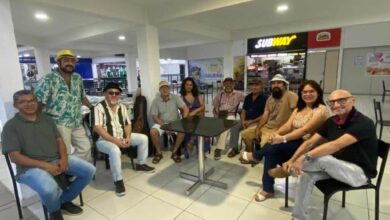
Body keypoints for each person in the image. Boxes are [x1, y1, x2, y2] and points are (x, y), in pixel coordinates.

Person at [276, 89, 377, 220]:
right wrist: (292, 159)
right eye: (332, 102)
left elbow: (335, 145)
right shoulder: (332, 121)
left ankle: (289, 170)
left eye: (342, 101)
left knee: (323, 159)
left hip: (359, 174)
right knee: (306, 175)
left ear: (353, 100)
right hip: (336, 167)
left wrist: (303, 158)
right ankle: (298, 217)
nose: (336, 105)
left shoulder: (363, 123)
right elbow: (309, 142)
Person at [1, 90, 95, 220]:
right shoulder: (10, 126)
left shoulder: (47, 119)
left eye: (32, 100)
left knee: (89, 170)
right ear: (15, 105)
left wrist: (64, 158)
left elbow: (59, 141)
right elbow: (15, 157)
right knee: (49, 190)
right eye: (23, 102)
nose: (29, 104)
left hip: (55, 159)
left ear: (37, 102)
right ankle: (55, 211)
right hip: (29, 169)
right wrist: (45, 166)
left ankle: (62, 200)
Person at [240, 80, 329, 201]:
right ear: (301, 94)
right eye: (305, 92)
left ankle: (256, 156)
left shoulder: (321, 110)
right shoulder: (299, 108)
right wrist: (276, 134)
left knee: (274, 146)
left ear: (318, 92)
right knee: (271, 151)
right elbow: (288, 125)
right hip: (294, 143)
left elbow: (304, 130)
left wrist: (282, 138)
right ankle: (268, 188)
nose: (308, 94)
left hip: (309, 147)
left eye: (311, 91)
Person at [93, 83, 155, 196]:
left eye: (116, 93)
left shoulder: (122, 107)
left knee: (143, 138)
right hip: (103, 141)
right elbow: (98, 128)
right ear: (104, 94)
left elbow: (127, 124)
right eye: (110, 93)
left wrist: (128, 137)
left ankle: (140, 164)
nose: (114, 95)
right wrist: (115, 141)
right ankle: (118, 180)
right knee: (115, 150)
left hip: (121, 137)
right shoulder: (98, 108)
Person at [35, 49, 93, 161]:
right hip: (58, 123)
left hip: (76, 120)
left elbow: (82, 96)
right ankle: (65, 174)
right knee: (64, 151)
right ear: (58, 62)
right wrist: (37, 121)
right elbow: (39, 101)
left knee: (85, 148)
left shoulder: (77, 78)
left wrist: (92, 107)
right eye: (66, 60)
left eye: (72, 61)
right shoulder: (49, 79)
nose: (70, 63)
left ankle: (73, 171)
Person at [150, 81, 189, 164]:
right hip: (162, 123)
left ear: (169, 89)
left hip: (175, 122)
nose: (165, 89)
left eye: (166, 87)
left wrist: (183, 120)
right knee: (153, 132)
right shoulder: (156, 100)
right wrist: (165, 126)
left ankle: (174, 152)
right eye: (162, 88)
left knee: (182, 132)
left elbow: (185, 109)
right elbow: (155, 117)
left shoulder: (175, 97)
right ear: (159, 90)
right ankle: (159, 153)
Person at [254, 74, 298, 147]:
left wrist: (282, 127)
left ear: (284, 85)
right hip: (268, 126)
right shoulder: (270, 98)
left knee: (265, 142)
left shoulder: (290, 95)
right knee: (246, 134)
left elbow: (296, 113)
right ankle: (254, 153)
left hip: (281, 128)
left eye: (279, 83)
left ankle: (259, 155)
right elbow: (265, 115)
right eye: (273, 83)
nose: (276, 85)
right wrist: (258, 128)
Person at [230, 78, 268, 156]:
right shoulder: (248, 97)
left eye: (256, 85)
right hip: (246, 120)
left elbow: (265, 114)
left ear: (261, 86)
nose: (254, 87)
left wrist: (251, 121)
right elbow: (244, 111)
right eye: (252, 85)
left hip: (259, 122)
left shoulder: (266, 98)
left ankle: (250, 152)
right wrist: (243, 120)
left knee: (246, 132)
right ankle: (234, 148)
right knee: (234, 126)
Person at [212, 77, 245, 160]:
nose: (228, 85)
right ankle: (221, 142)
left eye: (230, 83)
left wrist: (242, 110)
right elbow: (215, 105)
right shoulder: (220, 94)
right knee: (215, 127)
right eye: (226, 83)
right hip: (220, 115)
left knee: (225, 127)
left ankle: (218, 148)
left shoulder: (238, 94)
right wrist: (216, 113)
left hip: (231, 114)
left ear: (233, 84)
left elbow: (248, 101)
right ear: (224, 84)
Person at [180, 77, 210, 157]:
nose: (189, 86)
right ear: (184, 85)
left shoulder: (197, 95)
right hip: (188, 119)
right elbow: (183, 112)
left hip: (199, 117)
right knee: (194, 127)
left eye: (191, 85)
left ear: (193, 86)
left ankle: (197, 147)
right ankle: (197, 149)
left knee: (203, 129)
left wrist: (195, 111)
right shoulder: (181, 97)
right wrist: (191, 114)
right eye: (187, 84)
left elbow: (203, 106)